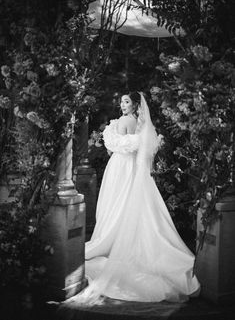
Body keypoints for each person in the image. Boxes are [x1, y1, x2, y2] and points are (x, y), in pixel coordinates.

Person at [68, 91, 200, 305]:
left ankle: (116, 238)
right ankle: (125, 235)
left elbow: (116, 146)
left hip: (121, 167)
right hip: (131, 168)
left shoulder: (124, 121)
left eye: (126, 101)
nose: (122, 104)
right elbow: (141, 147)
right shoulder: (140, 123)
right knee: (128, 203)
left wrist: (115, 141)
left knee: (116, 203)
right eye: (121, 101)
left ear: (135, 104)